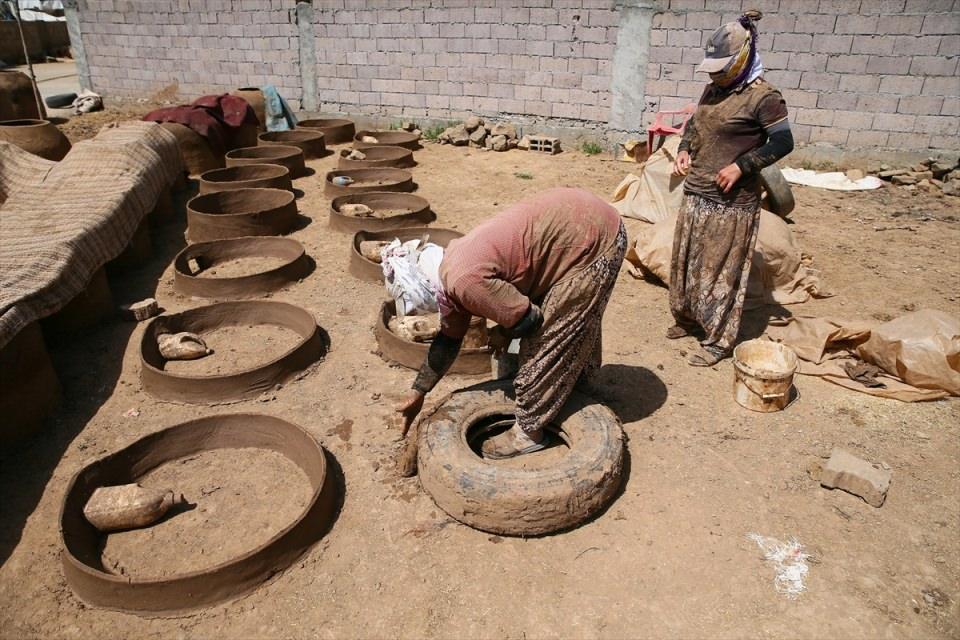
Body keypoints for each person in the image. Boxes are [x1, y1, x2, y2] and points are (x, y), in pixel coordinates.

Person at [393, 188, 627, 459]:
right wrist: (418, 391)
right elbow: (448, 340)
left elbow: (531, 321)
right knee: (570, 319)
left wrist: (504, 331)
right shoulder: (448, 269)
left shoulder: (465, 281)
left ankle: (528, 433)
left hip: (593, 239)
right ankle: (575, 385)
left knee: (548, 339)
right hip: (581, 221)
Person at [670, 10, 794, 366]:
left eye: (722, 67)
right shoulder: (714, 88)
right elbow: (694, 127)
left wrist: (742, 166)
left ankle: (719, 339)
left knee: (721, 270)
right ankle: (690, 318)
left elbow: (783, 142)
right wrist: (683, 150)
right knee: (689, 262)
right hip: (697, 192)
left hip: (732, 201)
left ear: (742, 58)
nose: (715, 74)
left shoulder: (764, 97)